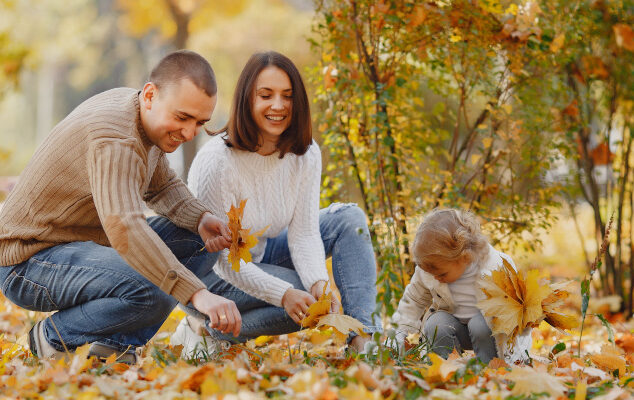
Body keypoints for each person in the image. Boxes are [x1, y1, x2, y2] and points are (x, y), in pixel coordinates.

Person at [0, 50, 241, 364]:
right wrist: (197, 292)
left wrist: (201, 219)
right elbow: (125, 228)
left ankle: (115, 346)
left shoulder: (139, 111)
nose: (189, 132)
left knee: (201, 241)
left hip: (80, 246)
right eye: (182, 117)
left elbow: (163, 186)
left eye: (200, 122)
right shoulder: (115, 139)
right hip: (28, 260)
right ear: (151, 95)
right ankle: (52, 337)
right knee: (152, 290)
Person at [172, 51, 379, 358]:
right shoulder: (216, 162)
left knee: (347, 219)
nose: (278, 106)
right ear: (247, 100)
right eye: (266, 95)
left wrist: (319, 284)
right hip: (207, 277)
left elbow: (305, 234)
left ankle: (363, 339)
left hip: (261, 254)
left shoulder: (305, 154)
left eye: (288, 96)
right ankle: (208, 326)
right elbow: (223, 261)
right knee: (301, 297)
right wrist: (284, 294)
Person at [391, 208, 531, 363]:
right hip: (457, 328)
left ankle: (490, 368)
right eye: (431, 273)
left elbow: (517, 317)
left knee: (479, 324)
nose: (436, 278)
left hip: (492, 334)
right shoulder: (432, 269)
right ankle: (443, 367)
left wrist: (516, 357)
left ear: (464, 257)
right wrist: (396, 337)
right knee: (436, 323)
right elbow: (413, 301)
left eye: (442, 274)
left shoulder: (495, 267)